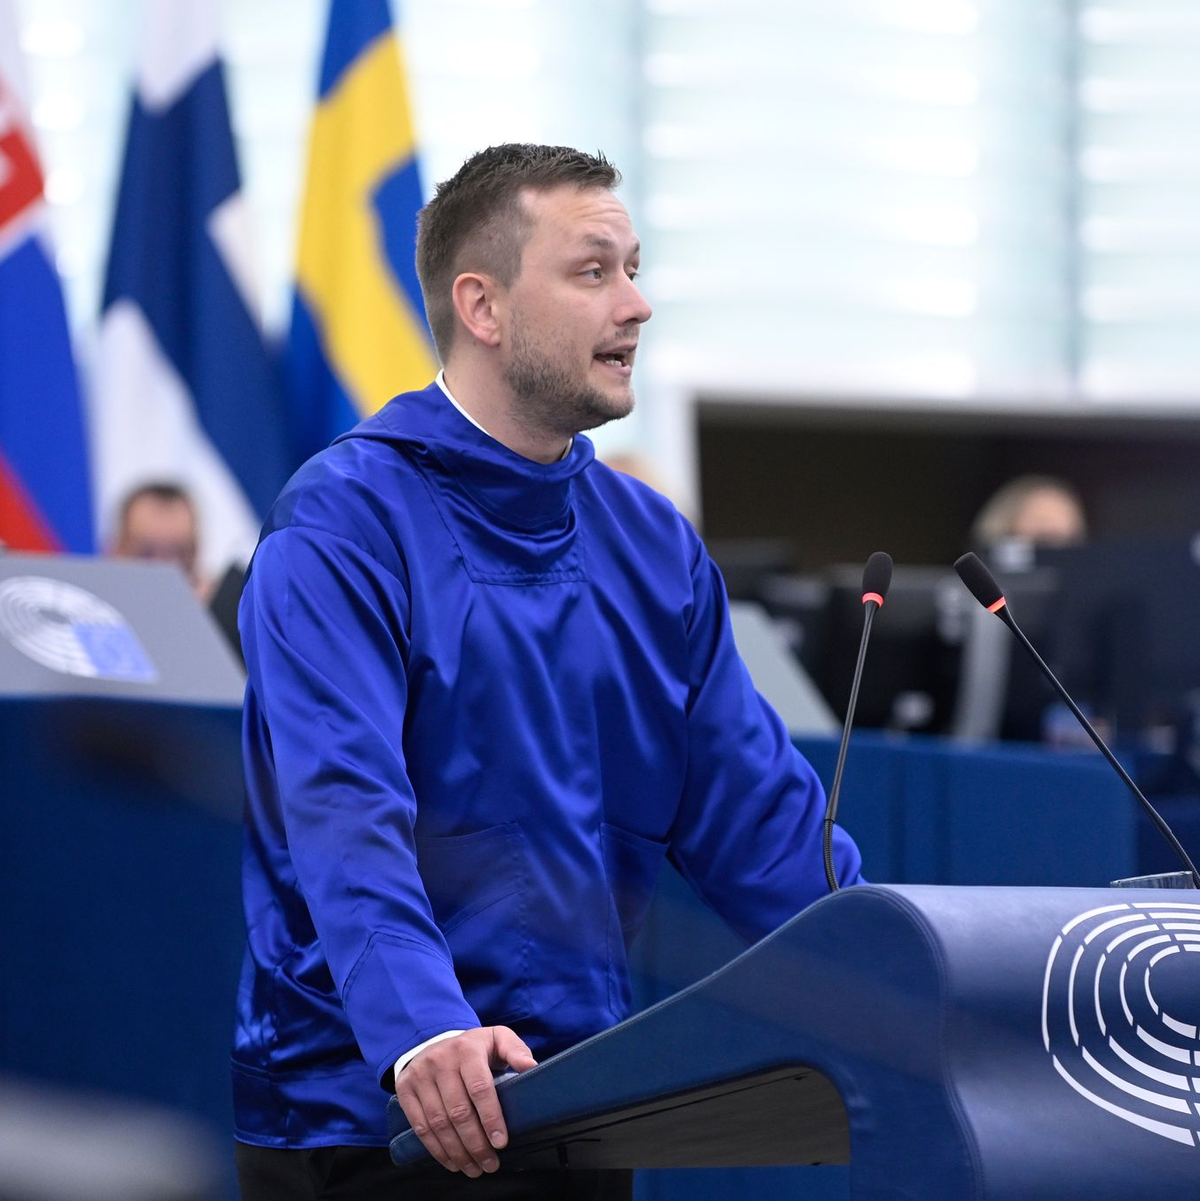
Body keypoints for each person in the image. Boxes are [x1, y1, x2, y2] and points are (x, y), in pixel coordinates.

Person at [233, 144, 863, 1201]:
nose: (638, 303)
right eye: (594, 271)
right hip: (372, 1116)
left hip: (578, 1108)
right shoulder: (343, 523)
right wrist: (423, 1027)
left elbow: (760, 825)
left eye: (634, 266)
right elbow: (342, 812)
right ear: (482, 306)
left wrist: (911, 970)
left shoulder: (653, 548)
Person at [110, 481, 207, 599]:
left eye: (177, 555)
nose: (163, 567)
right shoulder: (88, 613)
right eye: (147, 554)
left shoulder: (221, 611)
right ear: (116, 550)